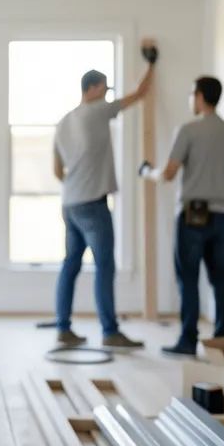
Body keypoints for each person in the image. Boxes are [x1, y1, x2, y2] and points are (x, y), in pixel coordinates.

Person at [52, 44, 158, 349]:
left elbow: (57, 169)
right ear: (95, 88)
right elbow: (138, 94)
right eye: (104, 88)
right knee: (104, 266)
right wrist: (152, 63)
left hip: (69, 202)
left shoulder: (63, 122)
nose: (107, 93)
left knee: (70, 264)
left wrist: (77, 180)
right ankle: (110, 332)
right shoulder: (99, 110)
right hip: (92, 204)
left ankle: (63, 327)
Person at [140, 75, 224, 355]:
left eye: (191, 94)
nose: (191, 99)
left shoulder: (187, 131)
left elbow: (168, 173)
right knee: (219, 276)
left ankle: (188, 341)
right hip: (222, 214)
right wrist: (219, 192)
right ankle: (223, 341)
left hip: (192, 215)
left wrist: (146, 172)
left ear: (200, 96)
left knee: (188, 278)